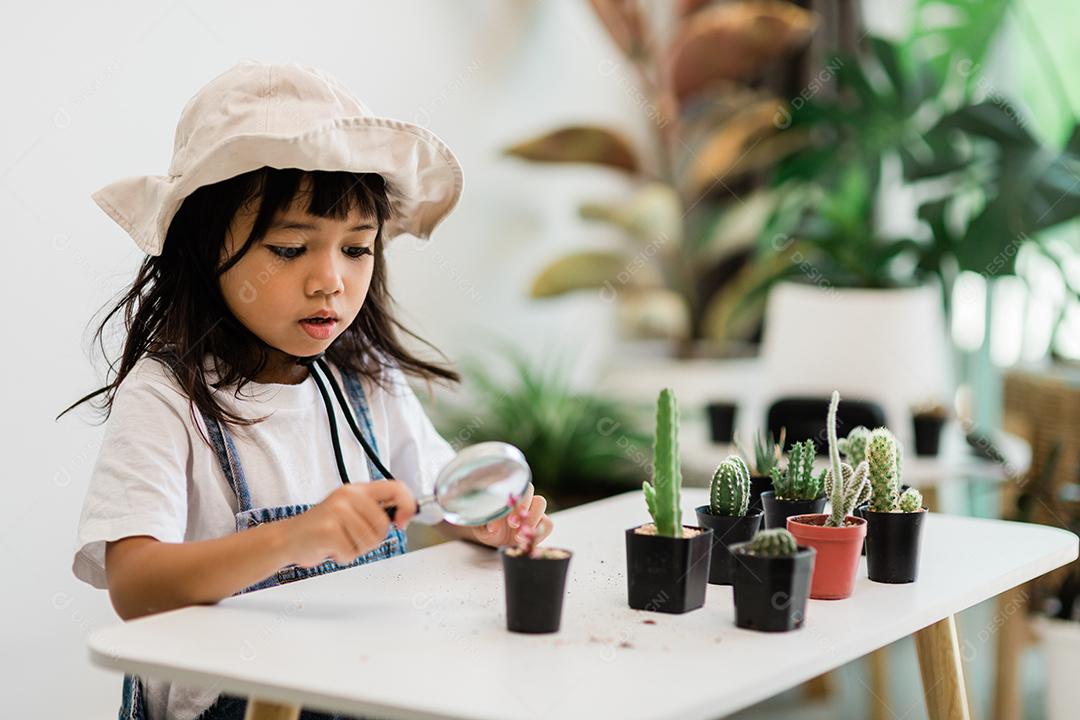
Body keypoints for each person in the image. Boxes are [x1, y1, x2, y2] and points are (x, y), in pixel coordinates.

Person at [60, 60, 552, 720]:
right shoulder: (167, 399)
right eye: (292, 249)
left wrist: (489, 521)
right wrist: (296, 537)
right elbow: (137, 587)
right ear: (206, 251)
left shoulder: (365, 382)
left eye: (357, 248)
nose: (331, 282)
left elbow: (445, 500)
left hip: (364, 687)